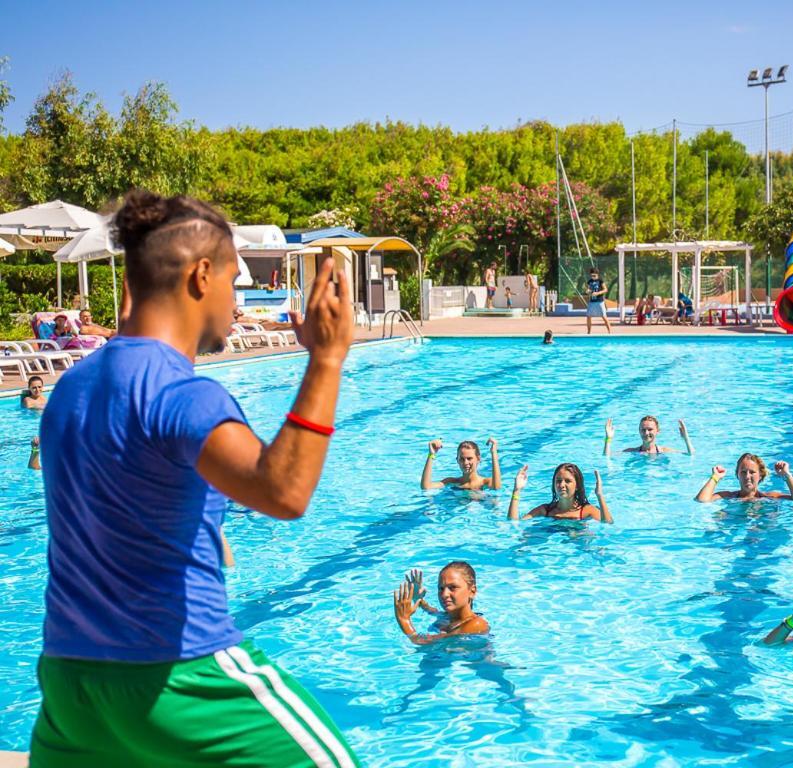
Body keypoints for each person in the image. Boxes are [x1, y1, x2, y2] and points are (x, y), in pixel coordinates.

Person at [31, 191, 360, 767]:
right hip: (180, 676)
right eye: (235, 280)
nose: (236, 301)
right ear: (201, 275)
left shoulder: (70, 390)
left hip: (71, 684)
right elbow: (282, 492)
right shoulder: (181, 394)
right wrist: (326, 360)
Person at [393, 562, 489, 645]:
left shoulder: (476, 624)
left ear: (472, 591)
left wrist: (404, 620)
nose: (444, 594)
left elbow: (423, 644)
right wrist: (418, 599)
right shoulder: (447, 617)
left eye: (453, 587)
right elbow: (431, 611)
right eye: (441, 588)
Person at [508, 463, 612, 522]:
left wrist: (600, 495)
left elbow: (608, 523)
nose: (561, 485)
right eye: (558, 481)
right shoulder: (545, 510)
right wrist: (516, 490)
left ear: (577, 486)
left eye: (568, 481)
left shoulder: (586, 511)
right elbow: (514, 522)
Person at [695, 454, 793, 503]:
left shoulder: (769, 497)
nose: (747, 476)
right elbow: (702, 500)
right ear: (737, 475)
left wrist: (787, 475)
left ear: (761, 475)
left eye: (752, 472)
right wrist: (715, 477)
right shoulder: (728, 496)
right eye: (743, 472)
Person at [421, 438, 501, 491]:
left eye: (469, 458)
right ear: (457, 461)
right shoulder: (452, 481)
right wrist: (431, 454)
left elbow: (497, 487)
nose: (466, 462)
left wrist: (494, 453)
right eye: (462, 459)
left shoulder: (485, 482)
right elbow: (426, 487)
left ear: (478, 459)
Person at [603, 415, 694, 455]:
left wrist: (686, 439)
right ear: (639, 431)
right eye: (643, 430)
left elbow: (691, 454)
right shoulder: (631, 451)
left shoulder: (664, 451)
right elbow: (606, 456)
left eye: (650, 429)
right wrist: (608, 439)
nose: (646, 433)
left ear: (658, 431)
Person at [585, 267, 611, 334]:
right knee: (588, 316)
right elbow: (588, 289)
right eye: (591, 275)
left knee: (604, 316)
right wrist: (588, 291)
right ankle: (588, 332)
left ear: (597, 274)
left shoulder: (600, 281)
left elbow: (605, 289)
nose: (593, 277)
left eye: (594, 275)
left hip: (600, 301)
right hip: (592, 301)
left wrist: (597, 293)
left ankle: (610, 332)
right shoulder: (589, 281)